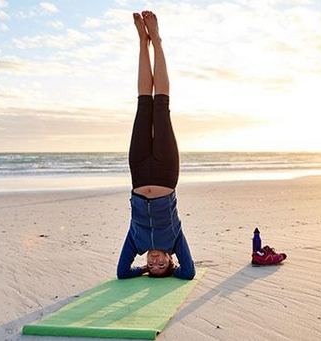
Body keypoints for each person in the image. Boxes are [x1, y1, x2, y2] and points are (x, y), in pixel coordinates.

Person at [116, 10, 195, 280]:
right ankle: (157, 41)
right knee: (160, 105)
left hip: (138, 173)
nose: (155, 261)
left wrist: (141, 271)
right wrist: (173, 272)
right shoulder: (174, 239)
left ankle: (141, 42)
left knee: (142, 104)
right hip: (165, 172)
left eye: (152, 266)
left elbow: (122, 272)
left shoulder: (136, 243)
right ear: (171, 260)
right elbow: (189, 273)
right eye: (162, 264)